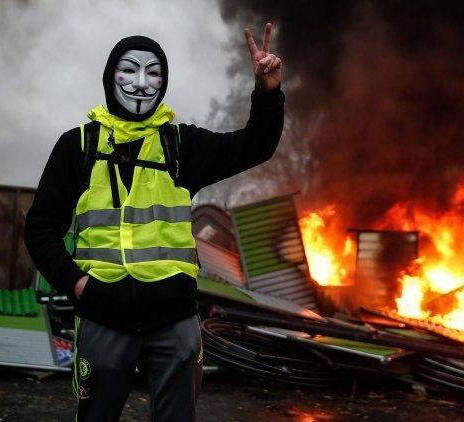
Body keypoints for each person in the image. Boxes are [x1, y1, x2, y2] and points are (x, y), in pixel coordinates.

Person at [24, 23, 283, 422]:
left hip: (173, 319)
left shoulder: (180, 145)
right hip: (103, 314)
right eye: (130, 70)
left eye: (154, 72)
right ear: (110, 76)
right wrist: (78, 285)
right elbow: (40, 227)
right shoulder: (77, 146)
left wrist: (267, 93)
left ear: (164, 82)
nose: (142, 83)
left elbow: (255, 146)